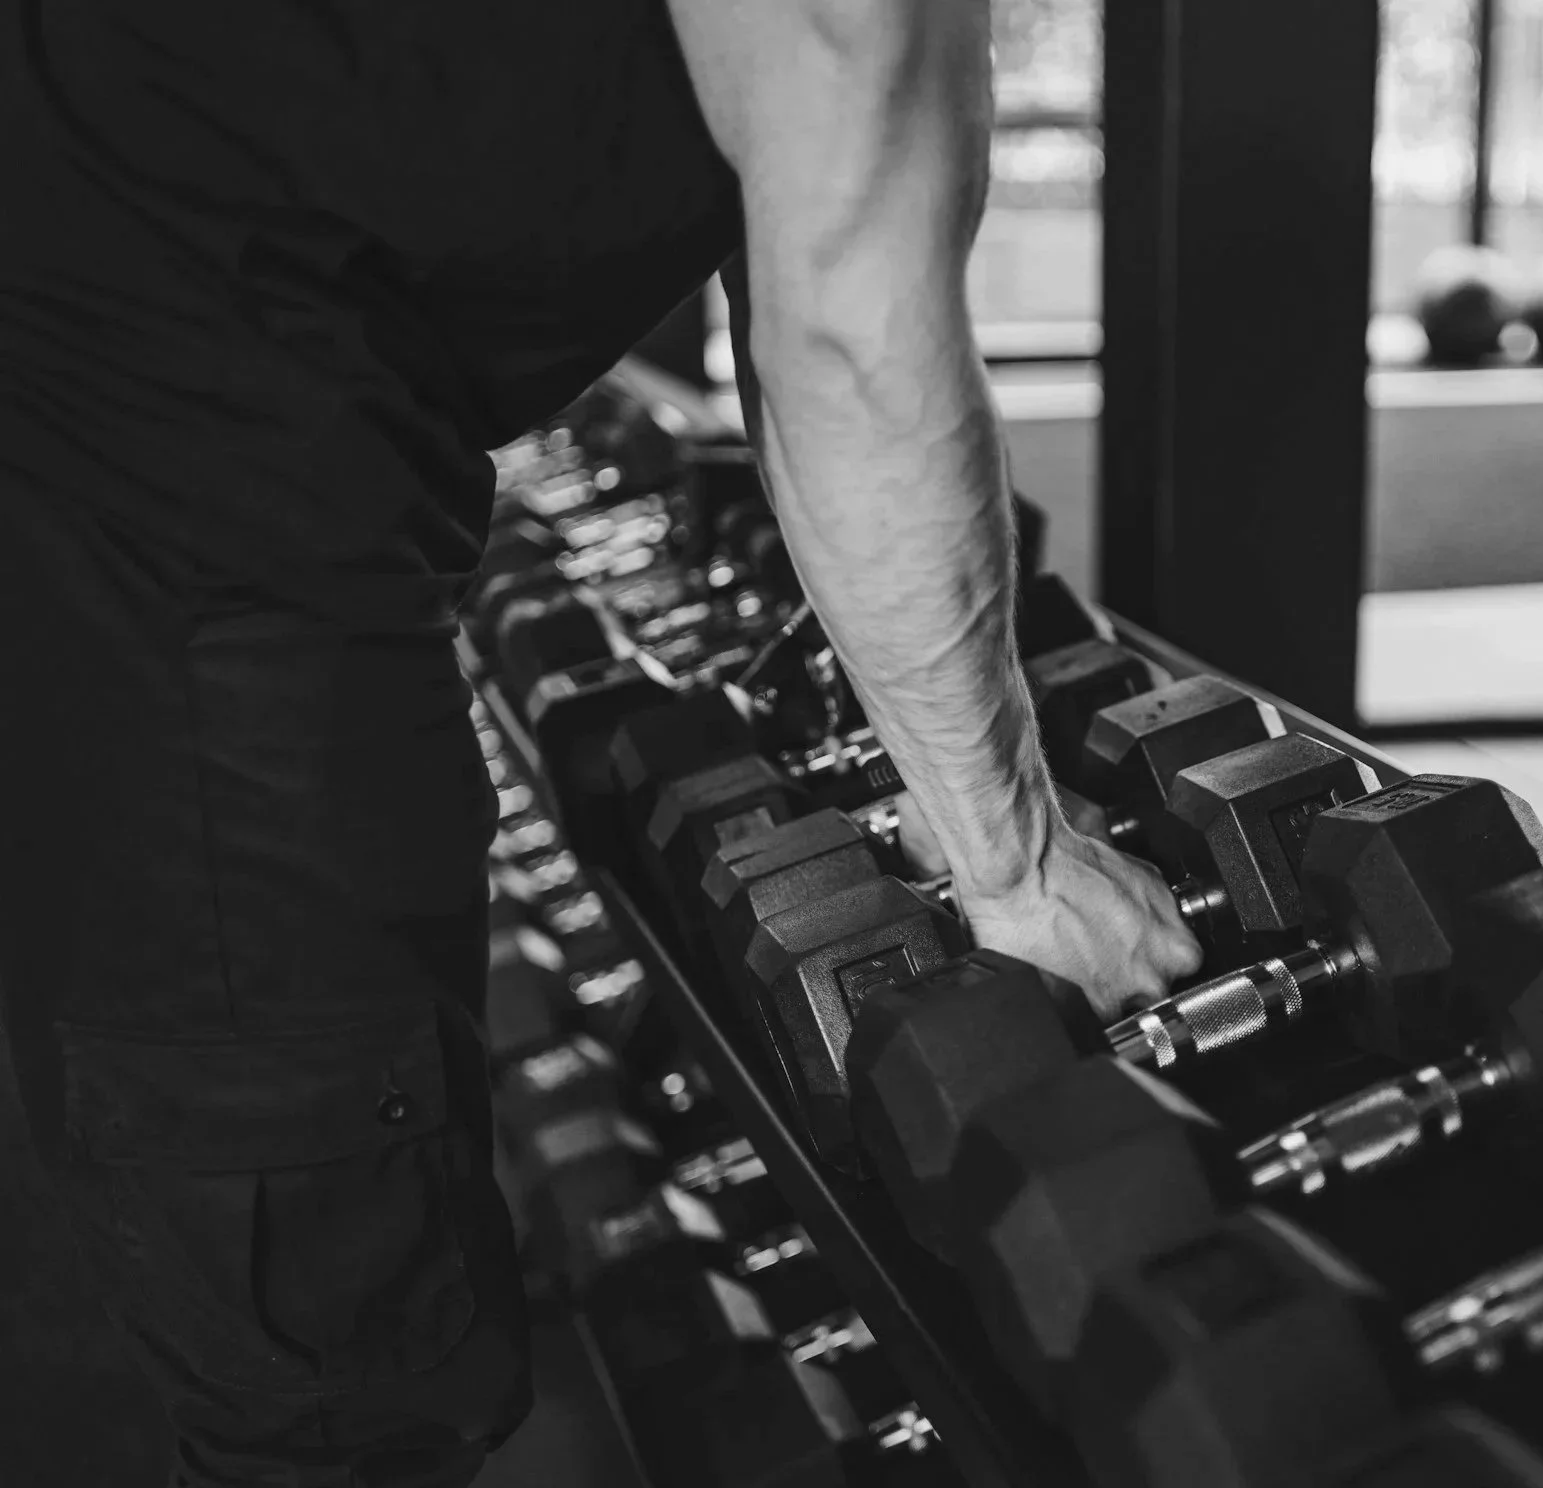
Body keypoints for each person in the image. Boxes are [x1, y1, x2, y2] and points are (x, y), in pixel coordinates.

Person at [0, 2, 1202, 1483]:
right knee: (327, 1344)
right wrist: (1014, 866)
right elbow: (849, 343)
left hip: (174, 462)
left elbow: (804, 300)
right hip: (153, 516)